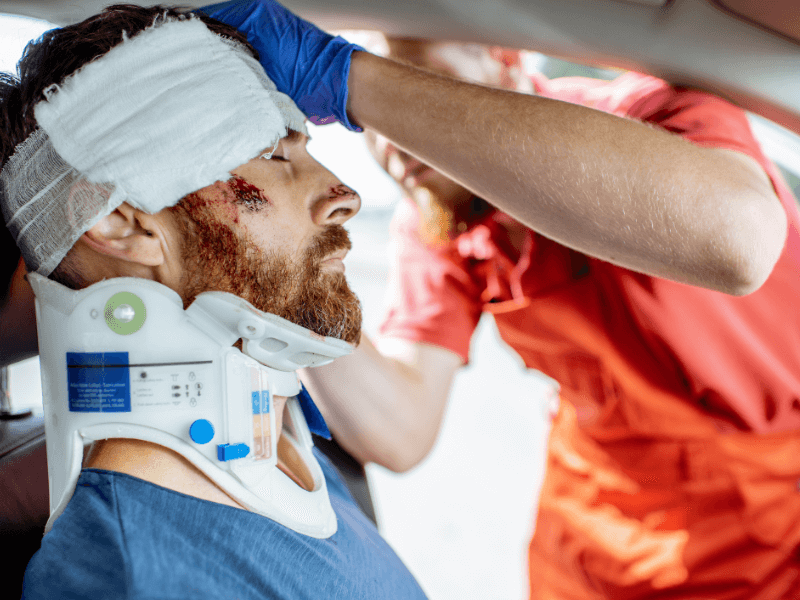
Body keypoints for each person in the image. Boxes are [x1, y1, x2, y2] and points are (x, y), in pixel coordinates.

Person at [225, 15, 799, 600]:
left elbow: (739, 239)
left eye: (421, 83)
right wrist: (281, 272)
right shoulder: (441, 221)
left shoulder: (655, 120)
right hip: (594, 529)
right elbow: (399, 430)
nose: (395, 136)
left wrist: (350, 78)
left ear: (505, 59)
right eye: (372, 119)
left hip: (772, 515)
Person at [2, 6, 429, 599]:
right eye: (273, 156)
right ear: (122, 224)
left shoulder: (289, 450)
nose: (346, 195)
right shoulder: (125, 580)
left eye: (305, 149)